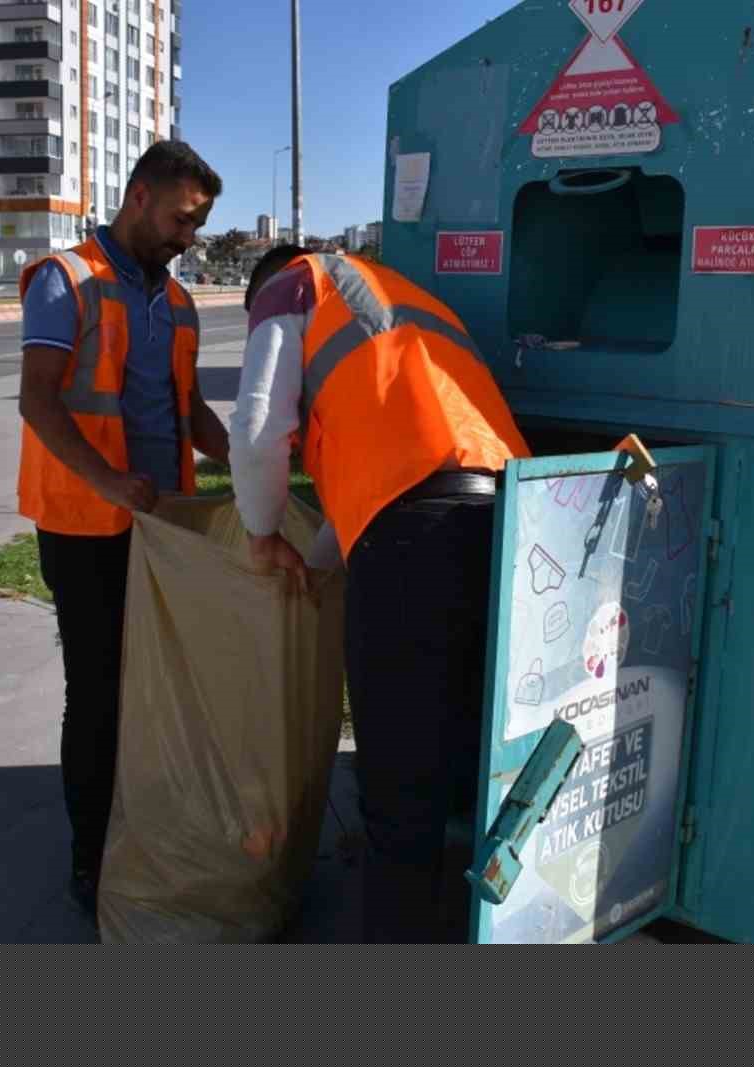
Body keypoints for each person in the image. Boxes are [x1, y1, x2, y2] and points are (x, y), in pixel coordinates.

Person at [228, 245, 531, 942]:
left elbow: (255, 432)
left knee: (400, 798)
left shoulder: (291, 285)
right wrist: (320, 560)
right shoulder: (396, 298)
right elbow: (393, 463)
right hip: (515, 521)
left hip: (416, 536)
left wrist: (260, 532)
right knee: (475, 765)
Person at [15, 141, 229, 917]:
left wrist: (262, 455)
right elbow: (38, 400)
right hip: (83, 525)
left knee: (158, 684)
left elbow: (191, 413)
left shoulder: (176, 302)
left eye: (198, 223)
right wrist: (107, 479)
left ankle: (145, 824)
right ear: (139, 197)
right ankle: (90, 857)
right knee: (99, 692)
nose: (189, 236)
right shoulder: (64, 281)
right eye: (181, 217)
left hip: (161, 525)